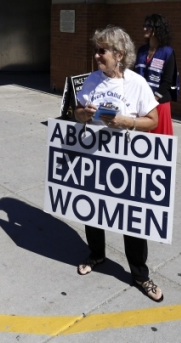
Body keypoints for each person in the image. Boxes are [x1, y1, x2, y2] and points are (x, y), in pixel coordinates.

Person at [73, 25, 164, 303]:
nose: (97, 55)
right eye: (96, 50)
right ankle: (97, 254)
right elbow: (75, 114)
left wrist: (127, 122)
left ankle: (140, 275)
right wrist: (84, 115)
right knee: (93, 209)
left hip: (126, 162)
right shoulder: (91, 80)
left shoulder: (136, 83)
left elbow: (154, 120)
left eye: (102, 51)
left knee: (130, 218)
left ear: (119, 54)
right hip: (96, 157)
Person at [135, 13, 179, 135]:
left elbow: (167, 81)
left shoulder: (167, 52)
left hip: (159, 103)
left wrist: (153, 100)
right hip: (142, 102)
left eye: (149, 26)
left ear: (158, 28)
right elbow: (135, 76)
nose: (145, 28)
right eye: (144, 25)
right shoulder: (141, 50)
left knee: (160, 139)